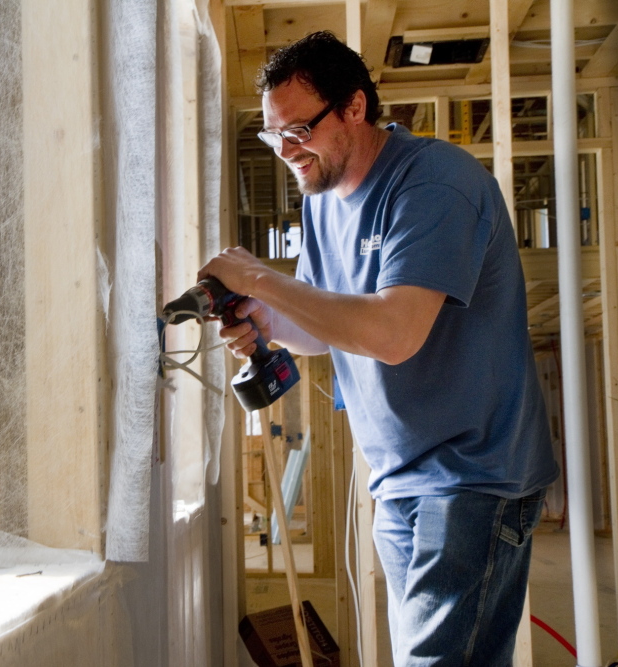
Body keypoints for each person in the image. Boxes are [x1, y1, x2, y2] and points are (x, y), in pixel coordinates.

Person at [199, 31, 559, 666]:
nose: (286, 151)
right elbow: (333, 327)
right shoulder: (323, 200)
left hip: (473, 475)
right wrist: (273, 322)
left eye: (299, 130)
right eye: (273, 136)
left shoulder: (434, 184)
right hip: (398, 481)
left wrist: (260, 278)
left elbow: (392, 334)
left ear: (355, 108)